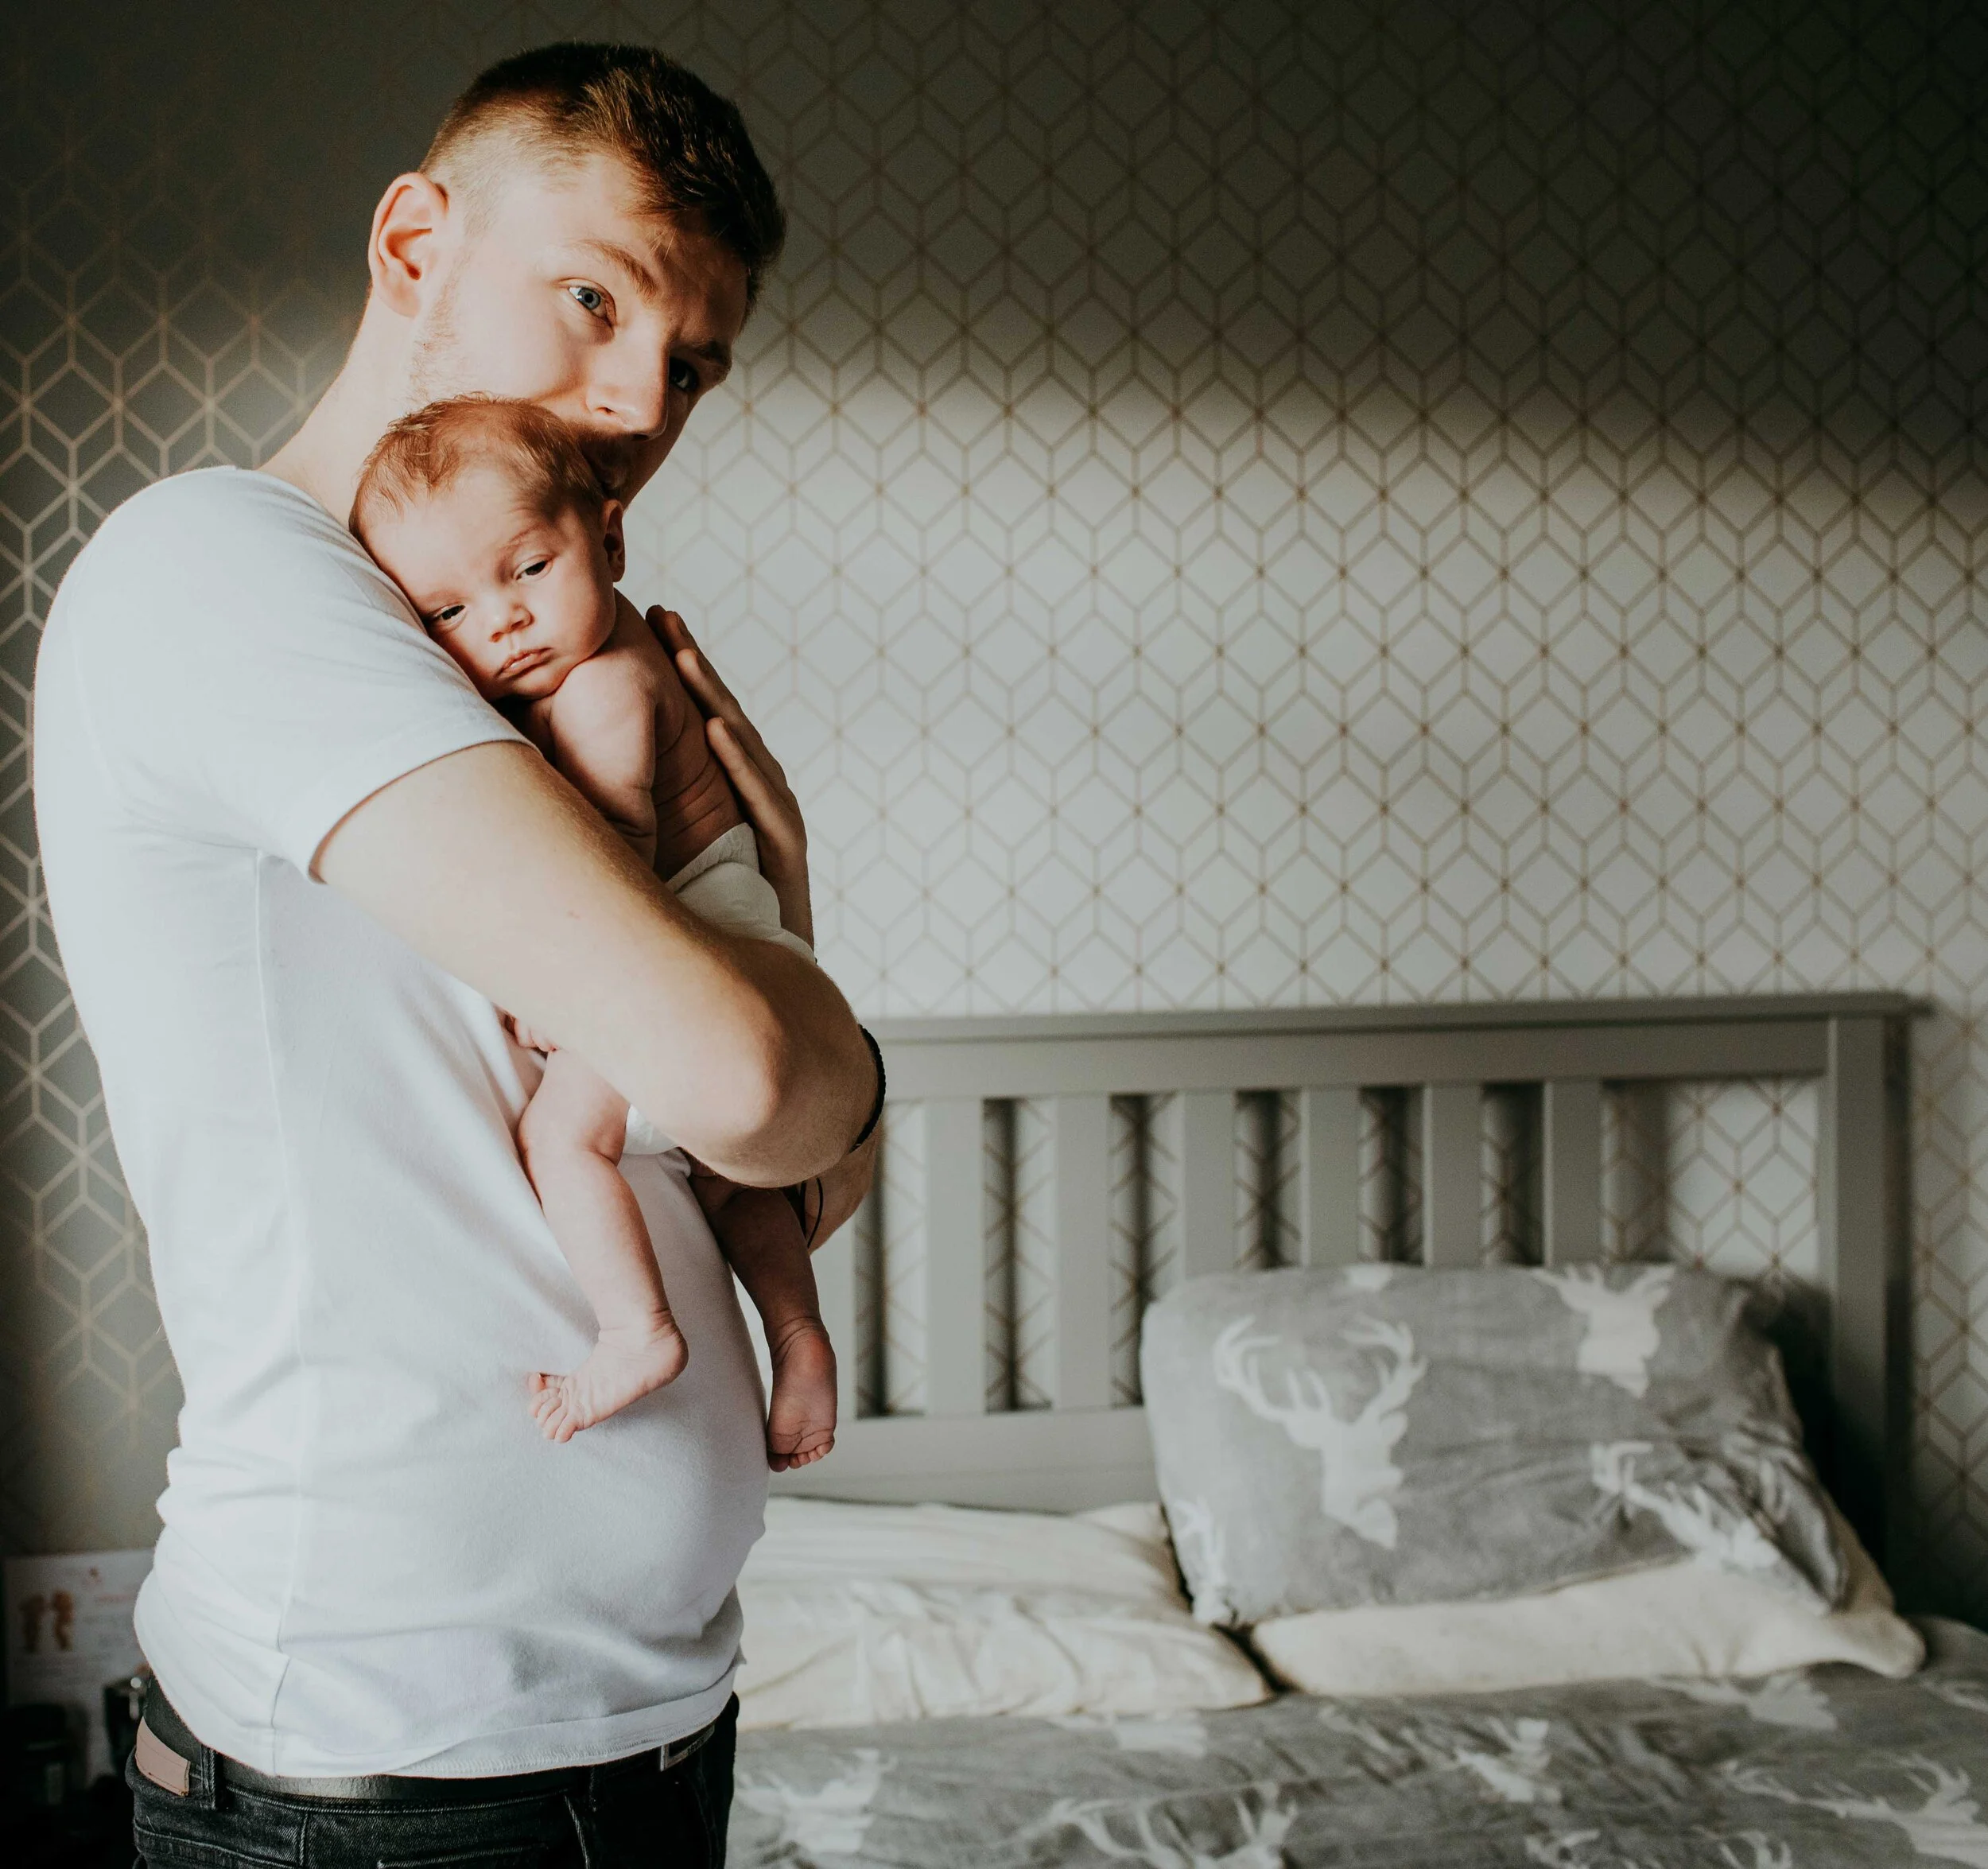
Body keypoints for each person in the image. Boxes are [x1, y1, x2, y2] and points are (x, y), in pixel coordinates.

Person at [33, 41, 878, 1867]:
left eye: (694, 360)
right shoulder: (222, 574)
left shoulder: (536, 684)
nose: (641, 392)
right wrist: (780, 910)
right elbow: (756, 1086)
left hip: (646, 1720)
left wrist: (782, 966)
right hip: (387, 1765)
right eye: (594, 296)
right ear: (416, 243)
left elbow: (804, 1169)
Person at [351, 394, 839, 1464]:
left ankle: (637, 1330)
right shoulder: (594, 668)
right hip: (746, 937)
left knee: (563, 1137)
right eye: (447, 614)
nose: (503, 620)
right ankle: (798, 1332)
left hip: (686, 940)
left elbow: (610, 856)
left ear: (608, 536)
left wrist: (558, 982)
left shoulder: (604, 687)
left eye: (527, 569)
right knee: (731, 1179)